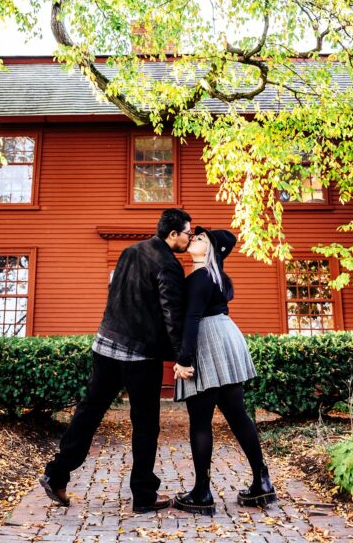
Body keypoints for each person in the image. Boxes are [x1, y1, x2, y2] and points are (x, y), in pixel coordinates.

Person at [40, 208, 192, 513]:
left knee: (89, 412)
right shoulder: (168, 265)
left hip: (105, 343)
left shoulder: (130, 251)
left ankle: (56, 474)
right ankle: (144, 494)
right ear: (173, 234)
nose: (190, 237)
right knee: (146, 424)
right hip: (138, 355)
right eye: (188, 232)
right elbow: (172, 314)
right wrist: (181, 357)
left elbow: (115, 294)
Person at [171, 227, 276, 516]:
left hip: (206, 342)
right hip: (226, 338)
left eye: (201, 239)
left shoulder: (199, 277)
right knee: (238, 416)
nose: (194, 239)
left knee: (201, 421)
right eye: (195, 236)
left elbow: (192, 319)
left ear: (213, 251)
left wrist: (184, 359)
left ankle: (202, 493)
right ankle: (262, 481)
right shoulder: (215, 278)